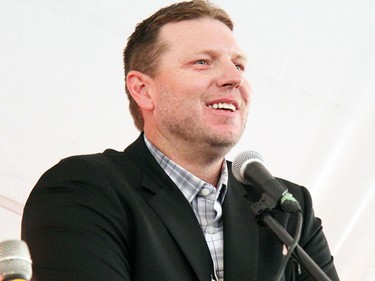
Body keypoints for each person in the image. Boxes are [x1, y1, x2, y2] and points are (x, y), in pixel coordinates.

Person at [21, 1, 340, 280]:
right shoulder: (84, 189)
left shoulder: (288, 208)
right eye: (203, 61)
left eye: (239, 65)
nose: (234, 78)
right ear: (143, 90)